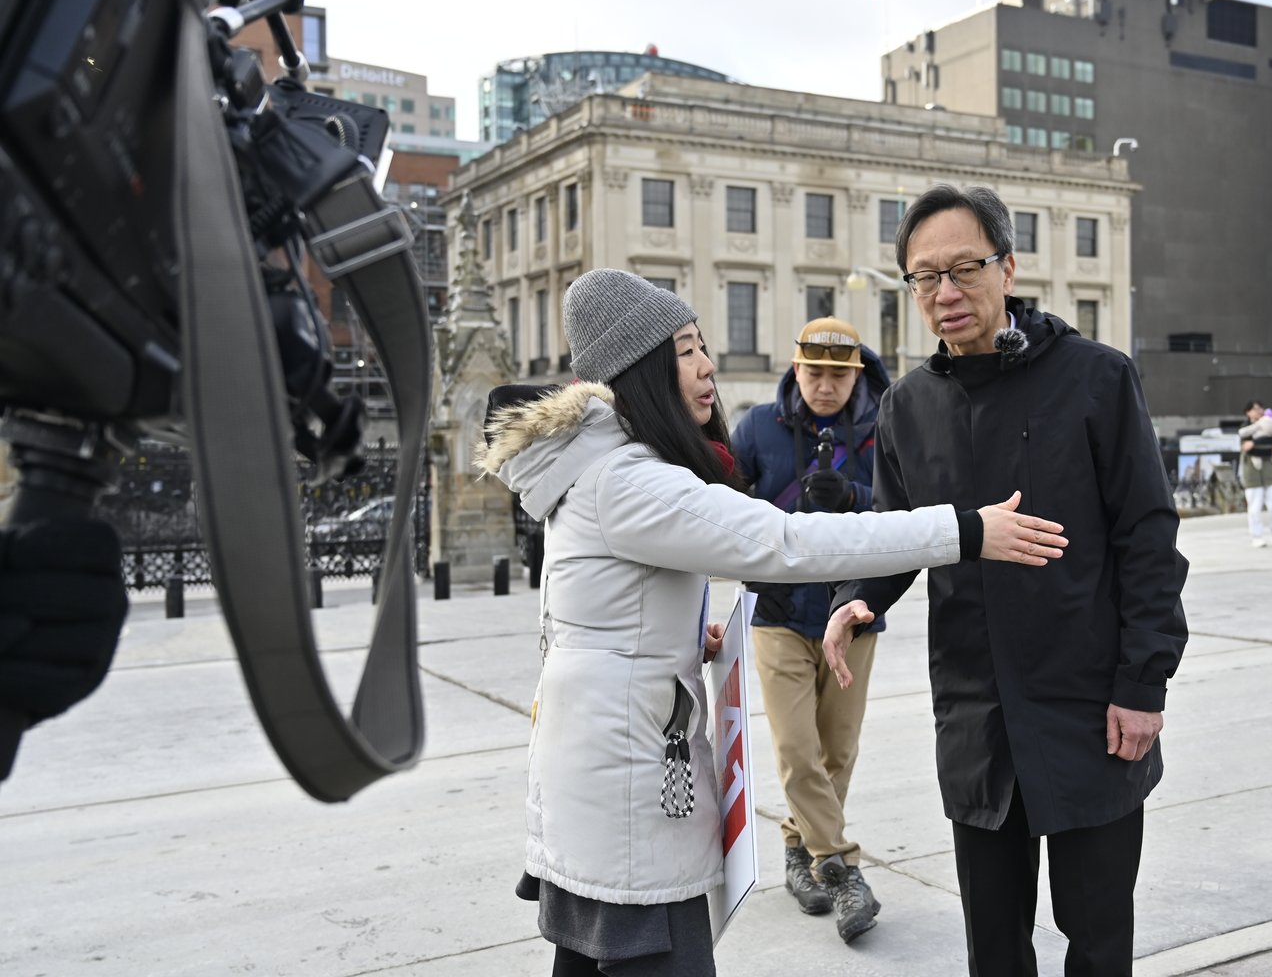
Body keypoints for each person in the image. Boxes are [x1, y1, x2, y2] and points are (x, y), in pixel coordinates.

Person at [475, 268, 1069, 977]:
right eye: (686, 349)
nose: (706, 367)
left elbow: (590, 609)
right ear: (641, 372)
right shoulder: (629, 479)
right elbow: (788, 543)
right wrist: (966, 530)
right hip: (626, 778)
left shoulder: (597, 466)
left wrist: (675, 637)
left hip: (597, 762)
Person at [821, 184, 1189, 977]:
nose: (945, 293)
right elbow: (897, 534)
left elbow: (1149, 539)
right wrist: (858, 598)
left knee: (1096, 942)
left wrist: (1143, 684)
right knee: (994, 947)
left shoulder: (1097, 378)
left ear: (1009, 268)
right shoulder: (907, 408)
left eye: (964, 269)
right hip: (977, 714)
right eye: (924, 277)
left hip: (1093, 707)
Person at [729, 316, 889, 942]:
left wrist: (854, 495)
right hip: (779, 614)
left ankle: (799, 854)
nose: (825, 386)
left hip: (854, 615)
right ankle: (842, 869)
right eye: (814, 372)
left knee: (836, 753)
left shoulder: (882, 430)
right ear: (796, 369)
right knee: (798, 752)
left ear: (857, 373)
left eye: (838, 375)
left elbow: (911, 508)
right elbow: (724, 507)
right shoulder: (757, 430)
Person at [1237, 400, 1272, 548]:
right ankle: (1257, 536)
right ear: (1248, 412)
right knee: (1254, 505)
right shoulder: (1245, 428)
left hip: (1270, 466)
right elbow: (1248, 448)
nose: (1259, 411)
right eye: (1255, 409)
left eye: (1261, 408)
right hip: (1252, 469)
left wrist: (1258, 444)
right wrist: (1266, 447)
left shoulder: (1271, 424)